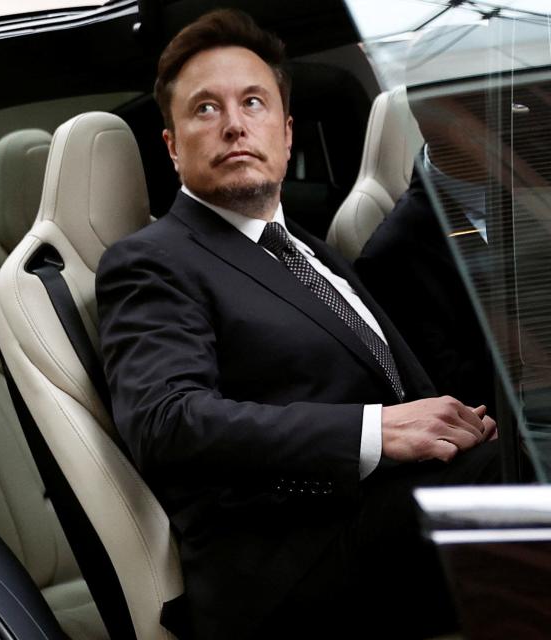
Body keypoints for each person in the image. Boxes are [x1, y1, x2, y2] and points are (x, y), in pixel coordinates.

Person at [95, 9, 500, 639]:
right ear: (172, 147)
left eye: (252, 103)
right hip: (291, 565)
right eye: (205, 109)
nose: (233, 124)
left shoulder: (311, 251)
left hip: (391, 521)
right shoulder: (150, 262)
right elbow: (165, 420)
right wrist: (374, 430)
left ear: (286, 133)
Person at [356, 92, 495, 412]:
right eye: (515, 107)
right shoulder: (390, 259)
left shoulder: (531, 189)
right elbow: (455, 398)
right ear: (462, 128)